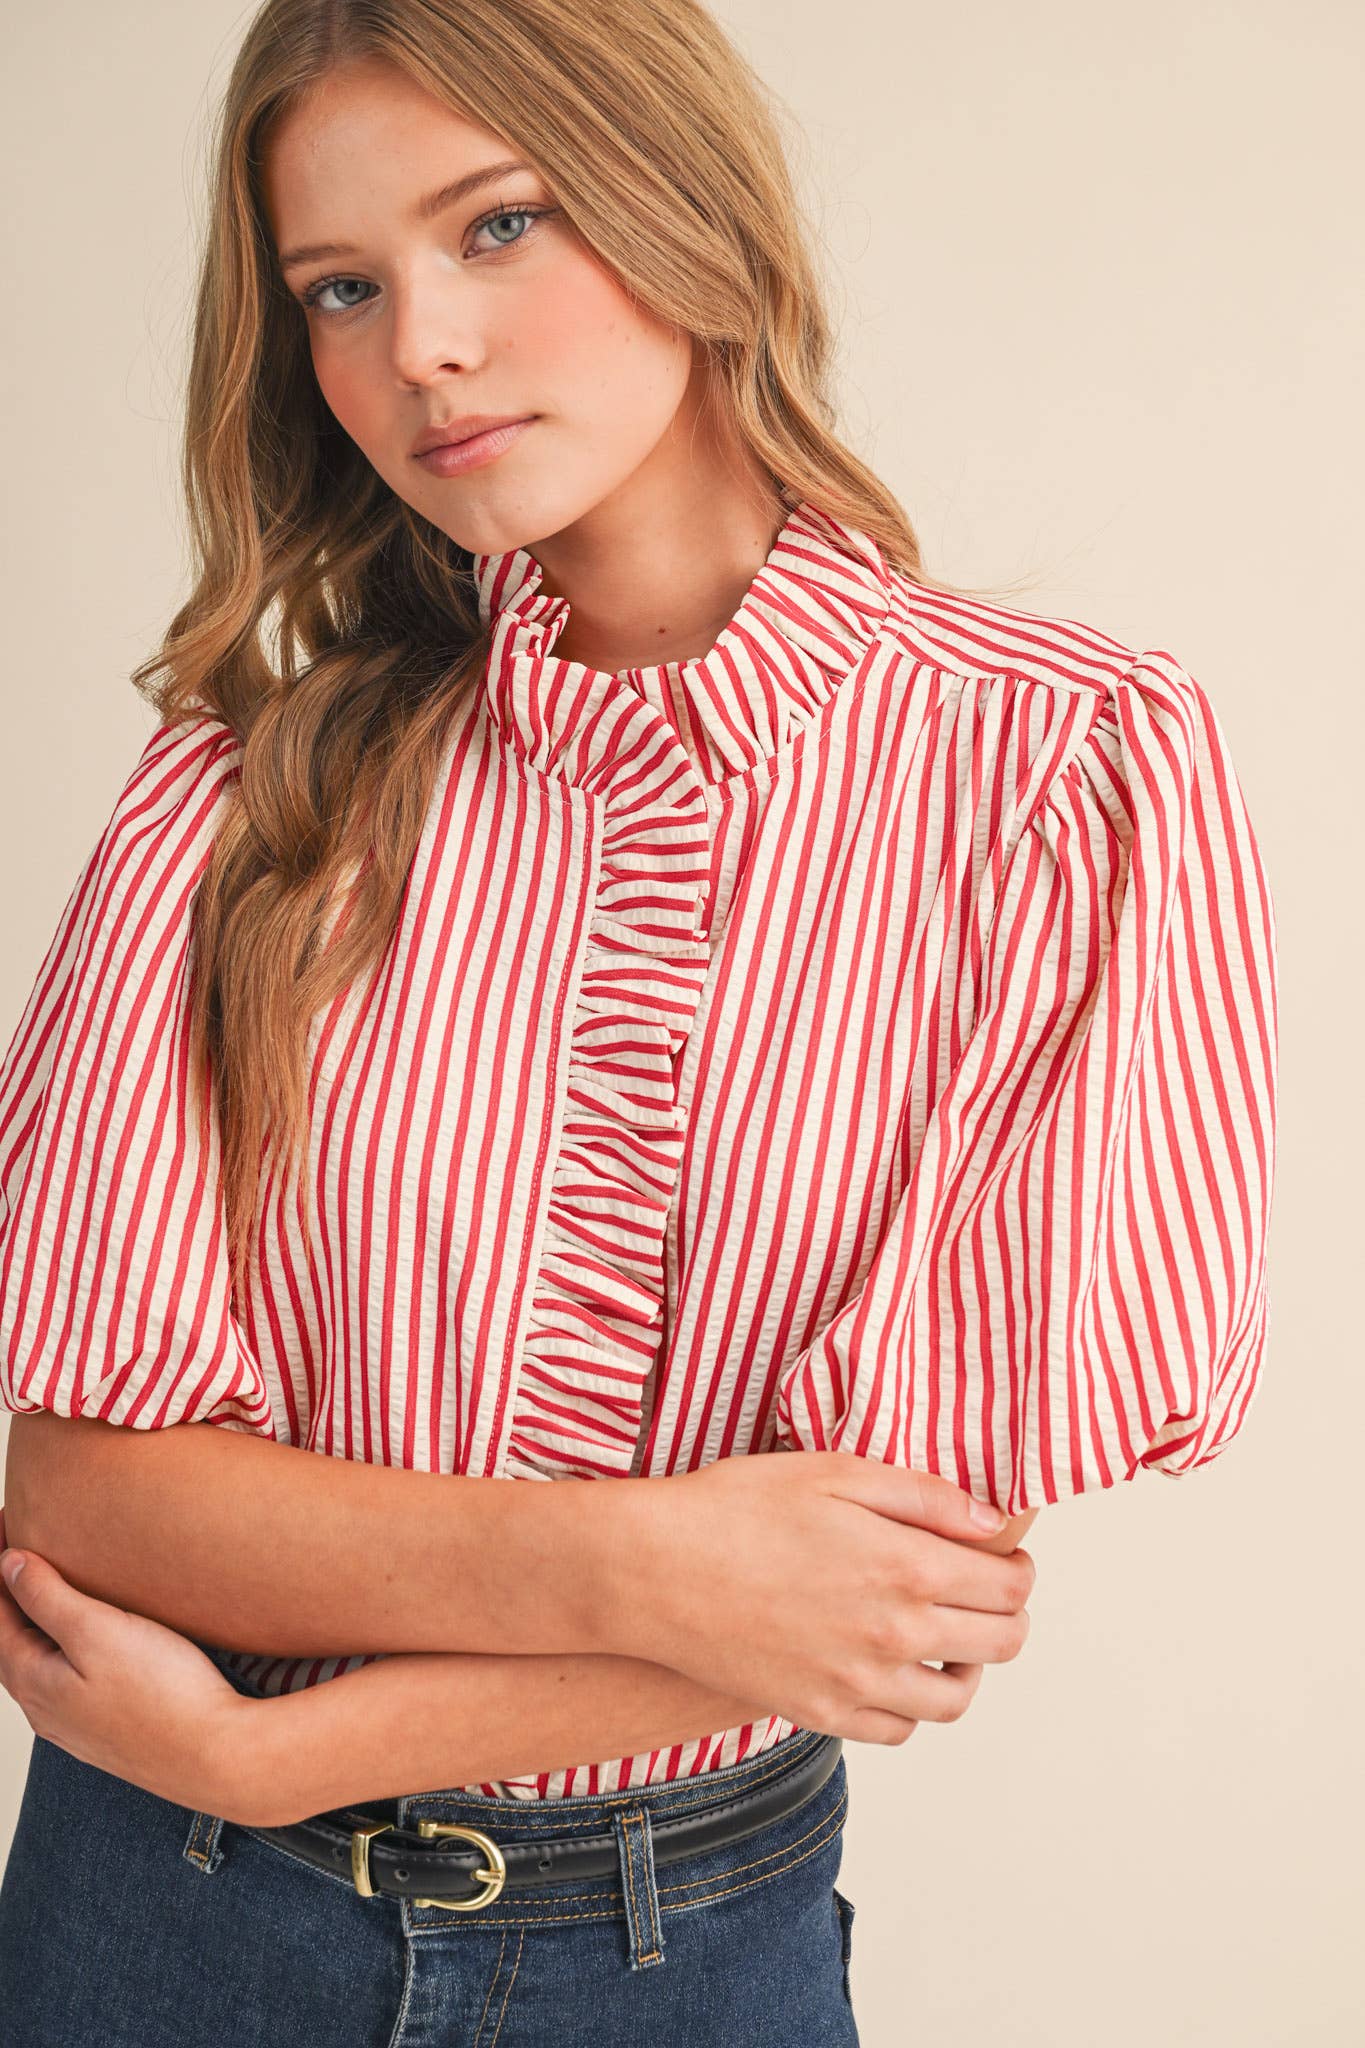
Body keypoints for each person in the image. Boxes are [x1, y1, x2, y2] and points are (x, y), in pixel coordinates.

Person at [0, 1, 1277, 2042]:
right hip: (162, 1920)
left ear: (683, 201)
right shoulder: (253, 795)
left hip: (682, 1949)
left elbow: (895, 1591)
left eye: (493, 226)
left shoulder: (1060, 780)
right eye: (341, 286)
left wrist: (278, 1753)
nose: (417, 345)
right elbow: (84, 1495)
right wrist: (651, 1570)